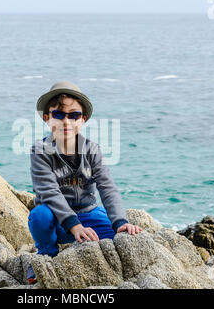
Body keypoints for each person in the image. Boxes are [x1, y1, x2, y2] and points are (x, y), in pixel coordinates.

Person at [27, 81, 141, 284]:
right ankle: (46, 254)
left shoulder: (92, 150)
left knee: (118, 238)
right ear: (47, 119)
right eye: (59, 115)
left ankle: (93, 234)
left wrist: (120, 222)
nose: (66, 122)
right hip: (57, 218)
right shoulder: (40, 151)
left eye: (74, 115)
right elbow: (49, 192)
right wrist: (74, 226)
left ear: (83, 119)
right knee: (39, 216)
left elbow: (107, 187)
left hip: (88, 213)